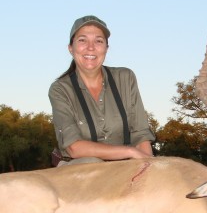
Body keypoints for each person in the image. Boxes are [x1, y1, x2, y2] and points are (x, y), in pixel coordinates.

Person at [49, 15, 155, 166]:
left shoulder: (125, 77)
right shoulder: (60, 89)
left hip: (123, 167)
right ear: (70, 48)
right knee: (91, 163)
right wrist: (130, 152)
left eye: (98, 41)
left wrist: (148, 166)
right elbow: (74, 147)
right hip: (78, 171)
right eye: (82, 40)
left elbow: (140, 134)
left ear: (106, 48)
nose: (91, 47)